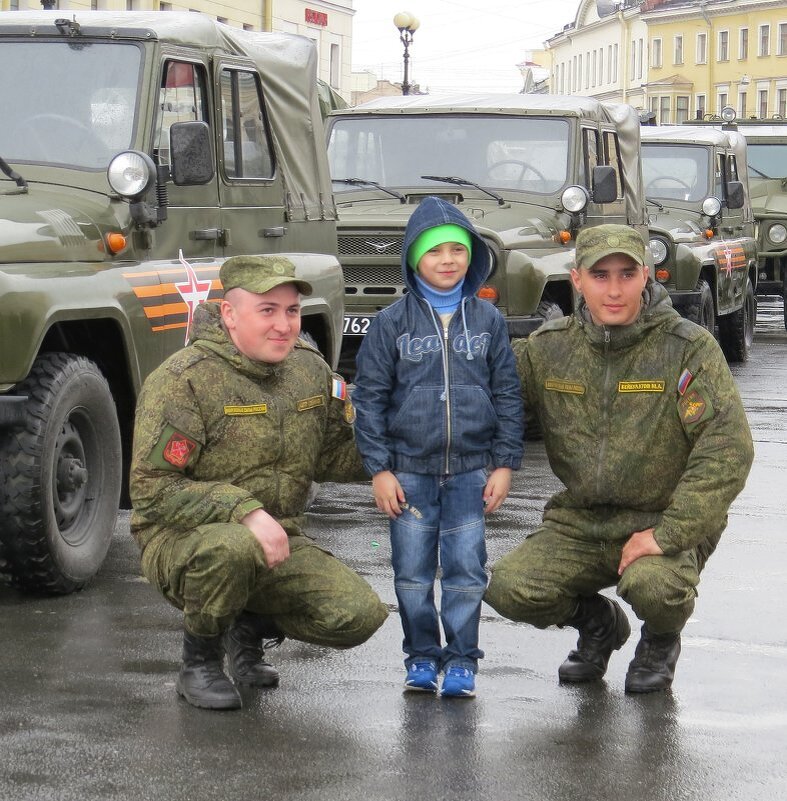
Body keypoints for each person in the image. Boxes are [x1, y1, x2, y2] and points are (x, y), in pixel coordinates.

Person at [485, 224, 754, 693]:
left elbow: (727, 449)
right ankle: (599, 625)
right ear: (577, 280)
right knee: (509, 588)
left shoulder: (686, 348)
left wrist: (668, 533)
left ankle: (660, 640)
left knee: (654, 588)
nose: (614, 290)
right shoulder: (547, 350)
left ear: (646, 276)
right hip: (581, 522)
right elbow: (485, 406)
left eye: (627, 275)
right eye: (600, 275)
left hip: (663, 518)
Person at [129, 255, 388, 711]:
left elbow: (333, 456)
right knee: (231, 548)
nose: (284, 325)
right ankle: (200, 662)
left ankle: (242, 624)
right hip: (181, 541)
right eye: (267, 311)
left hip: (278, 538)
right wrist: (244, 510)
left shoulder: (308, 369)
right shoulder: (184, 381)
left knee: (357, 616)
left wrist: (399, 453)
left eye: (291, 311)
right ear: (229, 314)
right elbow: (152, 488)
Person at [352, 196, 524, 698]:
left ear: (472, 256)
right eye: (435, 251)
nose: (448, 260)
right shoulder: (391, 324)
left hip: (472, 472)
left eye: (458, 249)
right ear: (413, 259)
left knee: (467, 570)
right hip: (408, 473)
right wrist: (379, 469)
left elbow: (508, 395)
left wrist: (505, 464)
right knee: (411, 573)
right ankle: (422, 656)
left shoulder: (488, 321)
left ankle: (464, 660)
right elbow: (370, 400)